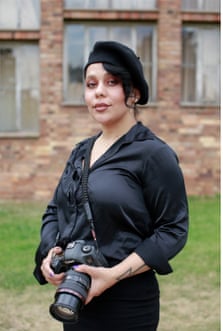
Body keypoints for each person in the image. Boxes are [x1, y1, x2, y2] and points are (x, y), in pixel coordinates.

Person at [33, 41, 189, 331]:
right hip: (76, 297)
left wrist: (113, 274)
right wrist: (50, 252)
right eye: (91, 85)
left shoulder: (153, 154)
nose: (99, 92)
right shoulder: (80, 152)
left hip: (128, 305)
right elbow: (54, 211)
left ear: (134, 93)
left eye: (112, 82)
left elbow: (173, 230)